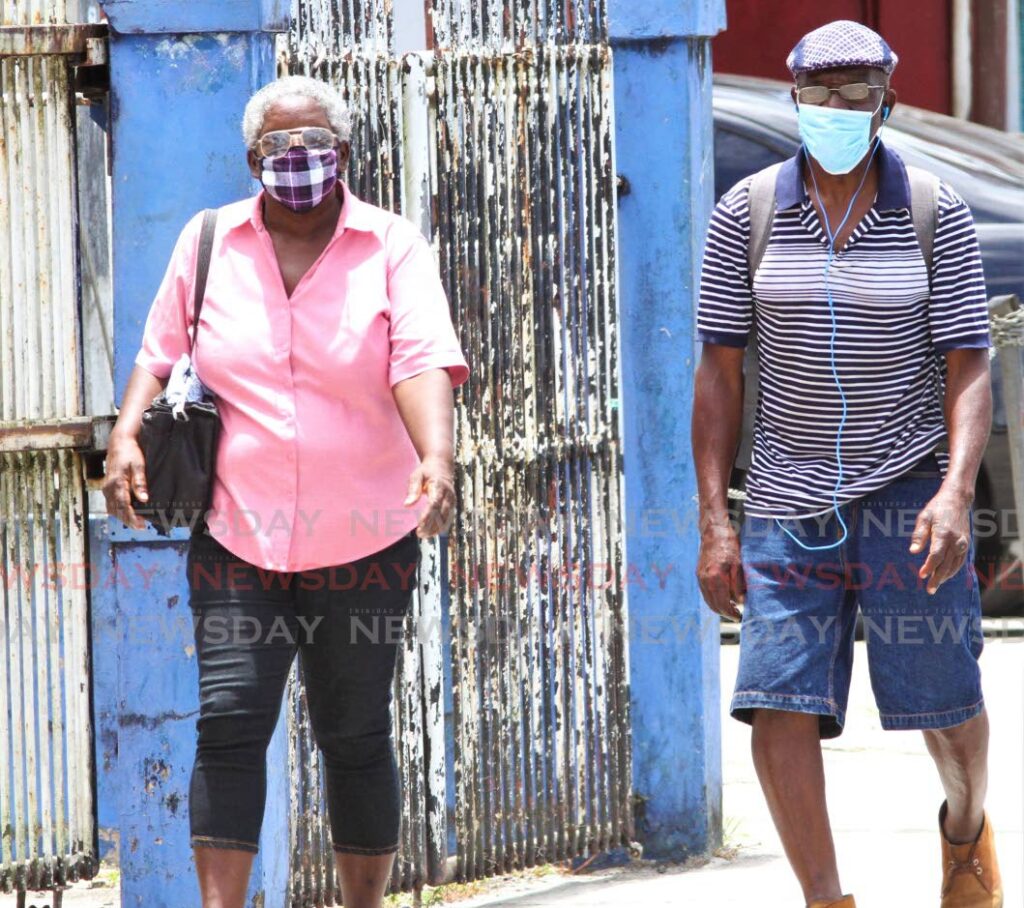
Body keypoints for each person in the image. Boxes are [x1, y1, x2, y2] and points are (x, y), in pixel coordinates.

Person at [102, 75, 469, 908]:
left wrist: (435, 457)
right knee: (229, 726)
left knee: (355, 732)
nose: (297, 160)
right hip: (238, 537)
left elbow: (419, 360)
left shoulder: (391, 246)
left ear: (343, 154)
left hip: (366, 541)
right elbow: (158, 355)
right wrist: (126, 432)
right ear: (250, 157)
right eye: (278, 146)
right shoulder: (207, 243)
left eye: (314, 146)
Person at [693, 20, 1001, 908]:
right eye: (819, 95)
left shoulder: (934, 210)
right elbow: (718, 370)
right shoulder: (746, 210)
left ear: (885, 105)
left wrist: (953, 490)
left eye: (854, 94)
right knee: (775, 698)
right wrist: (717, 520)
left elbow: (969, 363)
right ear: (796, 102)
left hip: (909, 490)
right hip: (789, 501)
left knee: (945, 699)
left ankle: (965, 826)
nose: (834, 110)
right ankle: (826, 898)